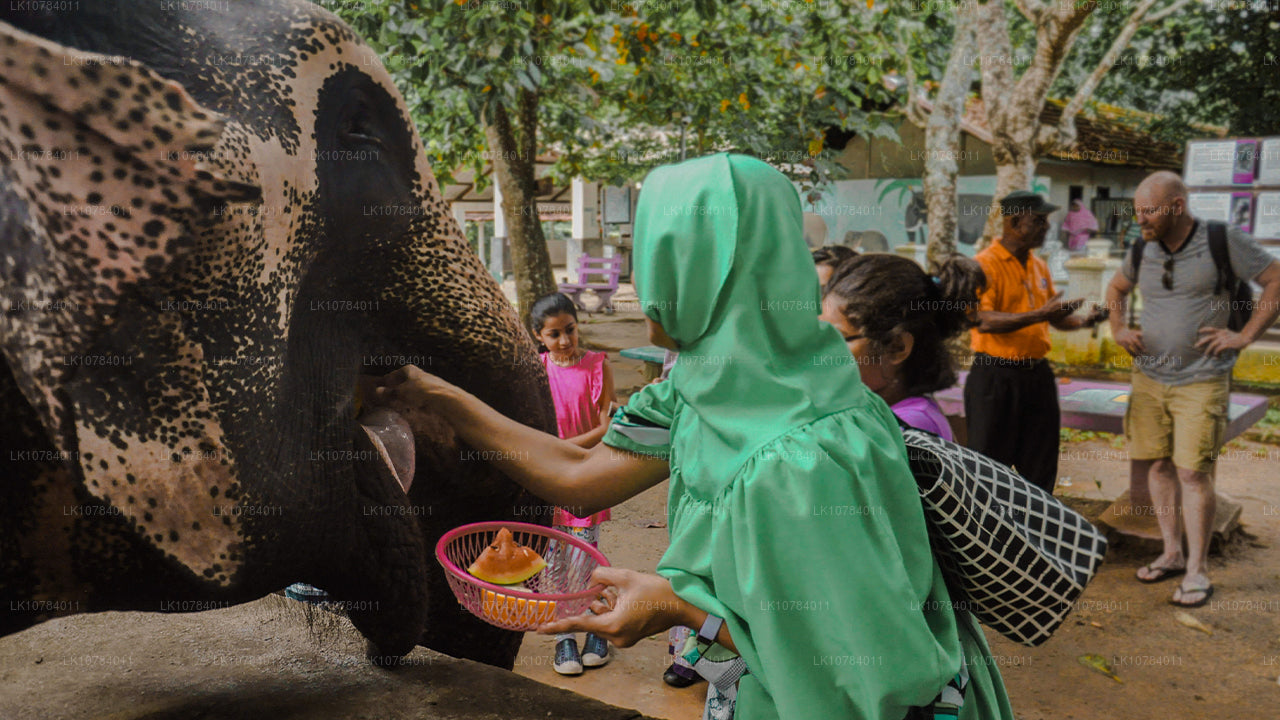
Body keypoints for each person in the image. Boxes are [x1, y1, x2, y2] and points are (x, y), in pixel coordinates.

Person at [376, 153, 1013, 720]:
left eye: (656, 254)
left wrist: (679, 609)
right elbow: (576, 470)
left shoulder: (802, 458)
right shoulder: (703, 385)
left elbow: (868, 668)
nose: (643, 277)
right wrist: (433, 394)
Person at [1105, 171, 1280, 608]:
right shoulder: (1143, 246)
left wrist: (1243, 337)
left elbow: (1276, 280)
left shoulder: (1222, 240)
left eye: (1149, 211)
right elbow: (1116, 287)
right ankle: (1171, 553)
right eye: (1137, 211)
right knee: (1159, 466)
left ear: (1177, 207)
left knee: (1192, 472)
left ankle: (1199, 571)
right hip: (1149, 378)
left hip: (1201, 379)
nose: (1140, 219)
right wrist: (1120, 327)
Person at [965, 191, 1107, 495]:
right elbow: (983, 320)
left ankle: (1038, 531)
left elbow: (1051, 318)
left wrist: (1083, 320)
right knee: (990, 467)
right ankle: (993, 533)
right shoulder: (983, 266)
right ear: (1016, 222)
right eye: (1039, 221)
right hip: (994, 377)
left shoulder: (1039, 266)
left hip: (1037, 376)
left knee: (1040, 463)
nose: (1047, 228)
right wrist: (1040, 314)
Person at [528, 292, 618, 674]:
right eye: (554, 334)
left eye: (570, 330)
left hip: (586, 477)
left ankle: (597, 629)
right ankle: (565, 638)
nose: (564, 341)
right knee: (552, 565)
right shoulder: (534, 370)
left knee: (585, 560)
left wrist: (558, 449)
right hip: (547, 481)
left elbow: (603, 427)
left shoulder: (598, 364)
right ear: (539, 336)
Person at [819, 253, 986, 441]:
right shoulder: (878, 412)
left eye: (839, 339)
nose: (823, 351)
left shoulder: (911, 427)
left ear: (897, 347)